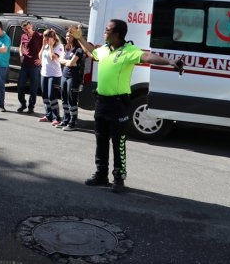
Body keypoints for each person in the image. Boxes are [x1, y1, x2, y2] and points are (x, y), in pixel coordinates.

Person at [69, 19, 183, 193]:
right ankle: (101, 175)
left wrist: (169, 62)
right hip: (101, 102)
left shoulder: (129, 51)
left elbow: (146, 57)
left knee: (118, 142)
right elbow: (92, 53)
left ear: (116, 34)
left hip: (118, 104)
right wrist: (80, 39)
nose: (105, 33)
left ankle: (119, 178)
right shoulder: (105, 49)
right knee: (101, 140)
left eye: (107, 30)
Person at [58, 31, 84, 131]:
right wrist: (67, 62)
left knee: (71, 99)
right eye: (66, 36)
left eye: (69, 36)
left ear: (74, 37)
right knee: (64, 98)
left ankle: (72, 122)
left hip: (73, 77)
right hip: (64, 75)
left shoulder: (78, 50)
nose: (67, 37)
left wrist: (68, 62)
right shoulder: (68, 48)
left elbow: (72, 63)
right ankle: (65, 119)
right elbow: (61, 60)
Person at [38, 29, 64, 125]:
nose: (44, 39)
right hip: (44, 73)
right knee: (45, 96)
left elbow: (53, 57)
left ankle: (56, 117)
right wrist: (43, 46)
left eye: (46, 38)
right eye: (44, 37)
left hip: (54, 75)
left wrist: (51, 46)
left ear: (52, 38)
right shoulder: (46, 46)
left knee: (52, 96)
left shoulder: (59, 46)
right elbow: (40, 56)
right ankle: (48, 115)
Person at [17, 20, 42, 114]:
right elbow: (21, 46)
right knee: (20, 86)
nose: (28, 30)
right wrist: (21, 55)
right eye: (25, 29)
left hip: (35, 66)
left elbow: (46, 47)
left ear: (31, 26)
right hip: (25, 64)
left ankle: (31, 107)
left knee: (33, 88)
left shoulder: (39, 36)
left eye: (28, 28)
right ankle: (22, 104)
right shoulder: (23, 36)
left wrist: (41, 60)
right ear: (23, 30)